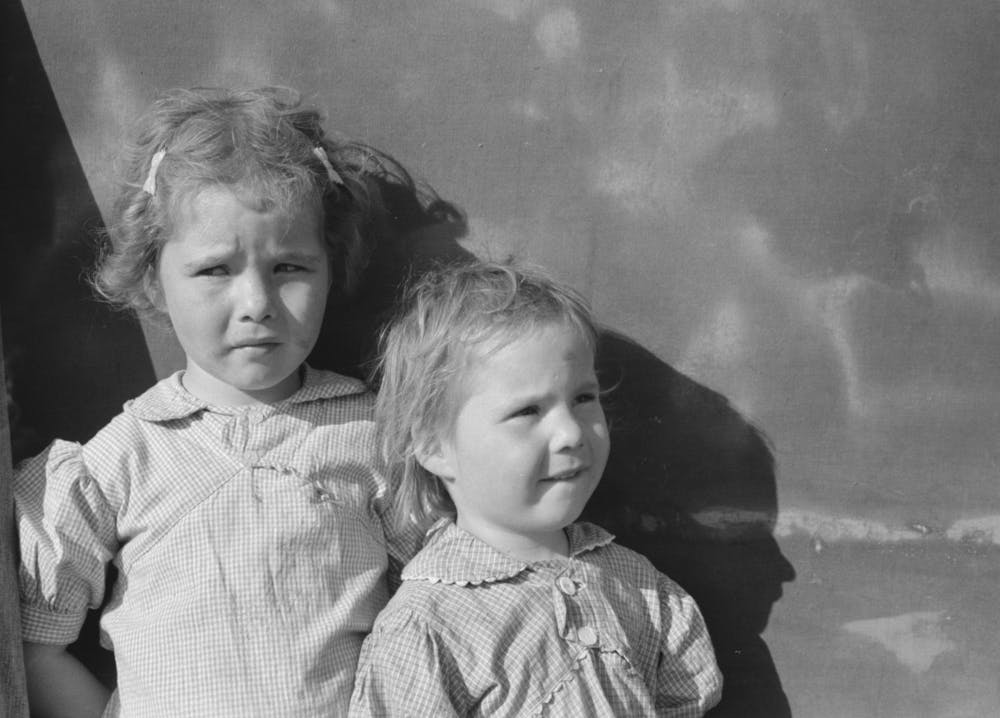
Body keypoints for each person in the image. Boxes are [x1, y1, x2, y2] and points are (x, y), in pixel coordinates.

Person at [14, 87, 414, 717]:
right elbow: (36, 648)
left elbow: (433, 608)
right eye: (214, 270)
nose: (256, 301)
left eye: (289, 267)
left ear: (331, 269)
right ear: (153, 277)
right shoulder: (123, 458)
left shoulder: (371, 439)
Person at [349, 261, 723, 717]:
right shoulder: (428, 627)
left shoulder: (636, 582)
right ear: (434, 446)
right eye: (528, 411)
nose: (571, 433)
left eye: (584, 398)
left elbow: (687, 697)